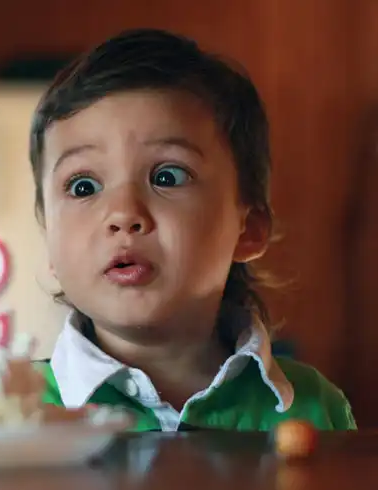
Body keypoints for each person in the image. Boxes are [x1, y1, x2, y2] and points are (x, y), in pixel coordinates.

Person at [28, 28, 356, 431]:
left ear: (248, 229)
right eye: (83, 187)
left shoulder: (314, 409)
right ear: (49, 241)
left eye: (167, 176)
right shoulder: (13, 412)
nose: (123, 214)